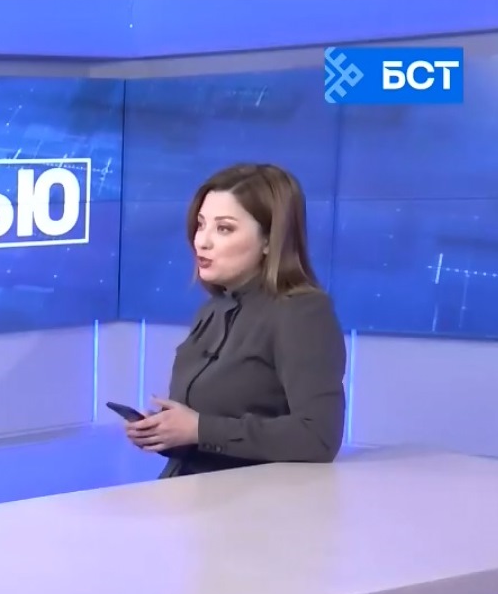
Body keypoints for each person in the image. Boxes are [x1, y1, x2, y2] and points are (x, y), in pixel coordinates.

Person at [125, 163, 346, 477]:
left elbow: (318, 437)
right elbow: (208, 436)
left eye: (224, 229)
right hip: (188, 494)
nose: (202, 241)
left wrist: (201, 429)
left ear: (269, 240)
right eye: (201, 225)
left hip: (252, 501)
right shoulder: (211, 310)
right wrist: (165, 433)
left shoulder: (302, 312)